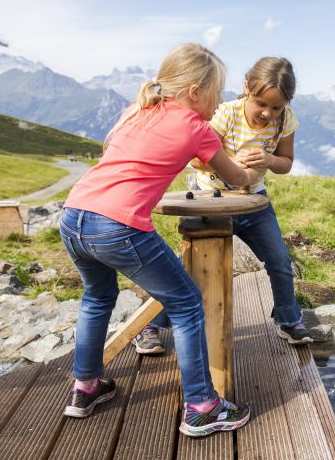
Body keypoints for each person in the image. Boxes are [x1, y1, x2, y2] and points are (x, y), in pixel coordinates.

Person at [58, 43, 259, 438]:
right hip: (117, 225)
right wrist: (253, 171)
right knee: (186, 303)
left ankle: (85, 387)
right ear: (195, 92)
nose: (221, 100)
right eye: (217, 92)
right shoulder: (197, 127)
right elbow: (234, 178)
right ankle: (202, 407)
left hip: (73, 216)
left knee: (97, 298)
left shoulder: (138, 112)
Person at [133, 56, 311, 357]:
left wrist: (269, 160)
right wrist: (229, 166)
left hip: (253, 203)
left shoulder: (286, 120)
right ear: (246, 89)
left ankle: (288, 319)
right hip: (210, 199)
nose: (268, 113)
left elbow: (286, 164)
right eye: (261, 104)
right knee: (184, 265)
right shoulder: (227, 114)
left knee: (280, 261)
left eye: (277, 107)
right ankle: (151, 325)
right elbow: (196, 158)